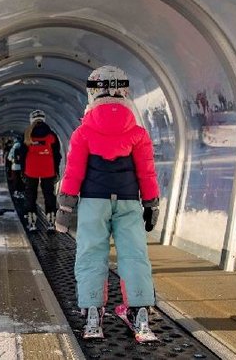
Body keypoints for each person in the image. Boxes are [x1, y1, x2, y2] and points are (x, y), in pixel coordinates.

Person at [55, 65, 160, 341]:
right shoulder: (137, 133)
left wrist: (65, 209)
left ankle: (92, 314)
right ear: (125, 93)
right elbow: (146, 173)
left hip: (93, 202)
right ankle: (139, 313)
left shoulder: (83, 132)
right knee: (134, 255)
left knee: (90, 255)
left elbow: (73, 173)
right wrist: (151, 204)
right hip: (128, 202)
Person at [20, 110, 61, 231]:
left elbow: (22, 155)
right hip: (48, 170)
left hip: (30, 170)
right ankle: (51, 220)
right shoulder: (52, 135)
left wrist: (23, 171)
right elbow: (56, 155)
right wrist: (56, 170)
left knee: (30, 194)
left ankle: (31, 220)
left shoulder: (27, 134)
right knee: (49, 194)